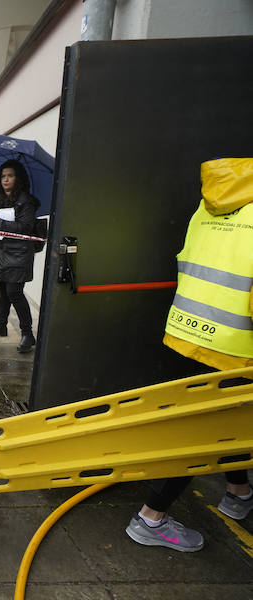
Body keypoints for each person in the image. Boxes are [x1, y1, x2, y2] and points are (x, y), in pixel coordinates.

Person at [125, 157, 253, 552]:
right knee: (201, 434)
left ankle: (238, 490)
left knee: (225, 419)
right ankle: (150, 517)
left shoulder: (213, 198)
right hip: (232, 342)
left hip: (186, 328)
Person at [0, 160, 39, 353]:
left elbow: (25, 228)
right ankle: (1, 326)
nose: (6, 179)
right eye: (3, 176)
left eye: (10, 176)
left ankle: (28, 334)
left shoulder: (26, 201)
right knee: (3, 291)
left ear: (18, 178)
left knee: (14, 292)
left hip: (18, 255)